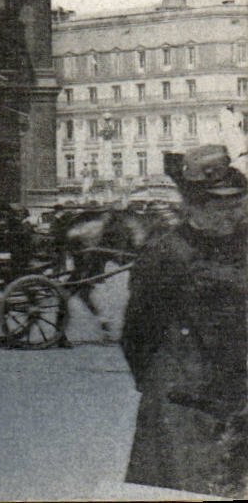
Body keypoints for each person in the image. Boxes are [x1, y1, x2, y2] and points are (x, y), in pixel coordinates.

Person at [121, 144, 247, 498]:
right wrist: (166, 381)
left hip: (239, 397)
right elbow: (137, 333)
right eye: (216, 204)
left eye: (236, 202)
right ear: (192, 205)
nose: (229, 212)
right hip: (181, 405)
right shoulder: (166, 252)